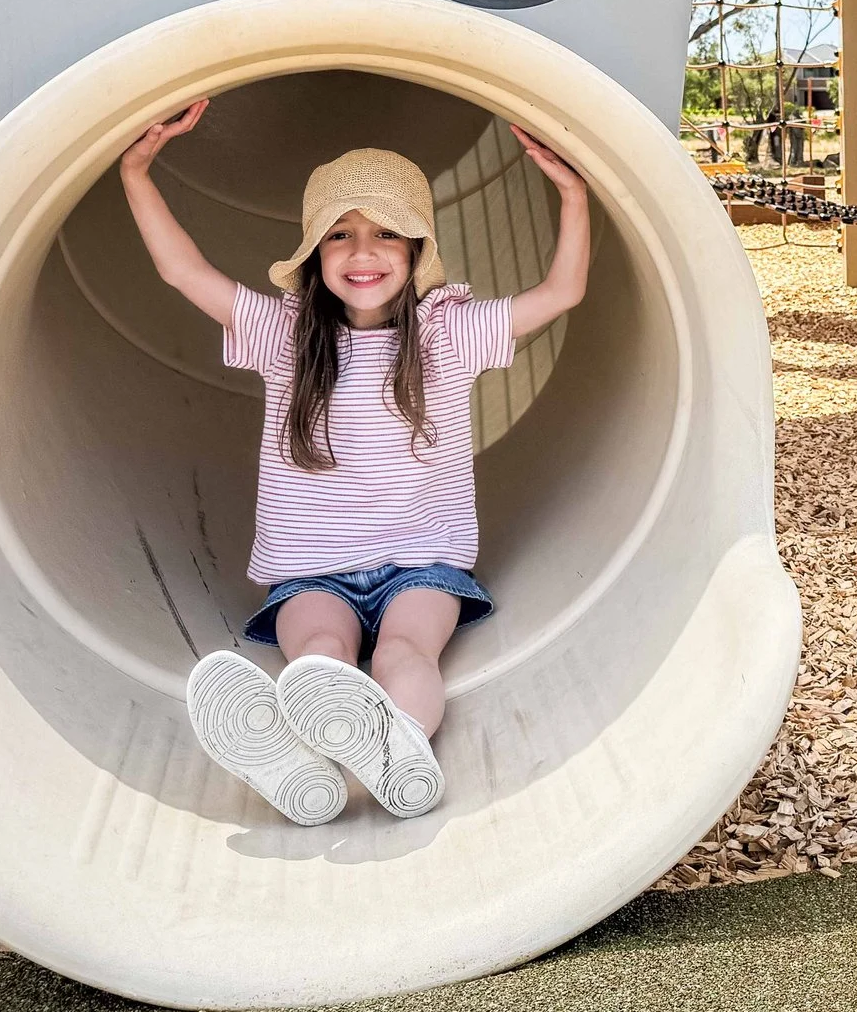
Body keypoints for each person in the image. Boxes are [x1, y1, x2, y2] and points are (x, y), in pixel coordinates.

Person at [119, 106, 590, 825]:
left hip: (420, 566)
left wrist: (574, 194)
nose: (361, 250)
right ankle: (297, 759)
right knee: (318, 652)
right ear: (314, 252)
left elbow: (562, 294)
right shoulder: (283, 333)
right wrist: (135, 170)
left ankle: (400, 751)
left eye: (383, 233)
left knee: (406, 650)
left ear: (414, 250)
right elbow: (182, 270)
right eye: (340, 232)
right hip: (311, 568)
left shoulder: (448, 333)